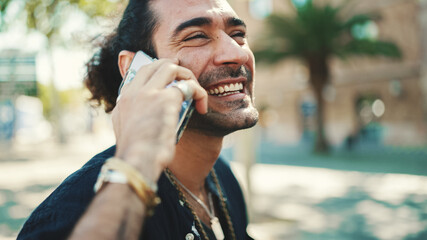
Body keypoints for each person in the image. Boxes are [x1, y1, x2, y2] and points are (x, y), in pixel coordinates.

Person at [18, 0, 259, 239]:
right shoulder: (74, 210)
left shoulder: (222, 175)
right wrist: (136, 164)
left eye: (237, 34)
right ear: (135, 68)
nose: (236, 53)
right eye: (196, 36)